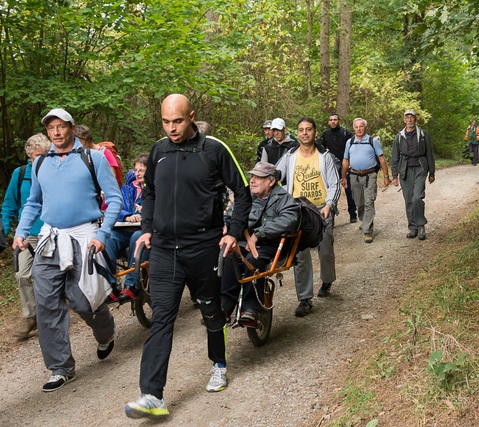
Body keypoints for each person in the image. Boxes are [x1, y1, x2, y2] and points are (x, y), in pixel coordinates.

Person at [124, 94, 251, 419]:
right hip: (166, 249)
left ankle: (219, 364)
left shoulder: (214, 150)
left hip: (204, 246)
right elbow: (149, 191)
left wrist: (232, 233)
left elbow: (243, 190)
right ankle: (152, 394)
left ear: (191, 117)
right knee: (163, 317)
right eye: (166, 122)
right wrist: (149, 228)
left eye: (177, 121)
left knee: (211, 310)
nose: (171, 128)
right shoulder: (158, 151)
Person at [12, 108, 122, 392]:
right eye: (51, 128)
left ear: (72, 128)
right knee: (47, 303)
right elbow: (33, 203)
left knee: (84, 302)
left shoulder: (92, 158)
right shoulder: (41, 164)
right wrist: (22, 231)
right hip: (50, 239)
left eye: (61, 126)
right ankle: (60, 368)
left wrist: (103, 233)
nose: (57, 132)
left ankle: (105, 333)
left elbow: (114, 197)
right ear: (47, 132)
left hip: (85, 237)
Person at [221, 161, 299, 325]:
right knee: (228, 256)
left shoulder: (283, 198)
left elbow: (289, 220)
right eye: (252, 176)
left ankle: (250, 309)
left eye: (259, 177)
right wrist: (224, 225)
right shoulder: (245, 196)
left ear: (271, 181)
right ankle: (224, 307)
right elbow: (230, 215)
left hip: (270, 244)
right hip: (243, 242)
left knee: (253, 261)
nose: (253, 180)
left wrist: (259, 234)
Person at [275, 117, 340, 311]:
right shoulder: (290, 156)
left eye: (308, 129)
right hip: (298, 211)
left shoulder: (325, 155)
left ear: (314, 132)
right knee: (300, 255)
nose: (305, 133)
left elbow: (335, 184)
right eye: (301, 130)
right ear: (297, 132)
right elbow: (274, 174)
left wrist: (329, 204)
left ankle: (327, 281)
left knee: (325, 250)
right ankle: (304, 299)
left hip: (321, 209)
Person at [2, 133, 51, 341]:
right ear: (29, 154)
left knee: (46, 276)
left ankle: (50, 317)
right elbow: (10, 205)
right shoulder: (20, 174)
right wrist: (3, 230)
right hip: (27, 235)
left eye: (46, 155)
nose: (41, 159)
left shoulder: (54, 171)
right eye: (37, 156)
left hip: (50, 232)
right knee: (22, 274)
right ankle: (31, 317)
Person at [104, 153, 148, 303]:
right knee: (108, 238)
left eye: (142, 170)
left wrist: (146, 211)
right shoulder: (128, 188)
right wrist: (127, 215)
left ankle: (132, 285)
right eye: (136, 170)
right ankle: (110, 285)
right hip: (125, 229)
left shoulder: (157, 187)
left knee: (137, 238)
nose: (138, 173)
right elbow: (117, 206)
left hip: (146, 231)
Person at [341, 118, 391, 243]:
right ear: (354, 128)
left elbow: (382, 160)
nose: (359, 129)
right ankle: (365, 221)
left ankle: (367, 230)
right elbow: (345, 161)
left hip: (370, 175)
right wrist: (343, 177)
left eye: (361, 126)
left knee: (369, 201)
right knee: (359, 203)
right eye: (357, 127)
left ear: (365, 127)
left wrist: (386, 176)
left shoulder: (372, 141)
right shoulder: (350, 142)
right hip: (354, 176)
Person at [390, 109, 436, 240]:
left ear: (416, 119)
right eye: (407, 117)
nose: (409, 120)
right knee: (408, 200)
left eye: (412, 117)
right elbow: (394, 157)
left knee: (417, 197)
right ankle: (413, 227)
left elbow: (429, 154)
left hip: (420, 169)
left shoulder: (423, 135)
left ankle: (421, 225)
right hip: (405, 170)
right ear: (404, 120)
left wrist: (432, 172)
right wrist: (394, 176)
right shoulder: (399, 136)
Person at [319, 113, 357, 223]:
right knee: (330, 191)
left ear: (339, 121)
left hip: (345, 166)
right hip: (331, 167)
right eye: (331, 120)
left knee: (349, 191)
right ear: (328, 122)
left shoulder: (346, 133)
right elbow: (321, 149)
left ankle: (352, 214)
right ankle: (330, 216)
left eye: (335, 120)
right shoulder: (325, 134)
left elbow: (354, 148)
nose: (333, 122)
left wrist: (350, 162)